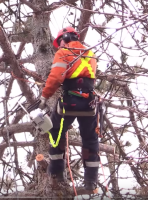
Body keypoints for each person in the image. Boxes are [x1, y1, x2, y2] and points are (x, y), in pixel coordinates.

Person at [38, 27, 99, 190]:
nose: (58, 46)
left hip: (70, 99)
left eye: (59, 42)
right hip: (90, 101)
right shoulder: (89, 53)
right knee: (90, 138)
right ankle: (91, 180)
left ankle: (56, 171)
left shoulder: (64, 52)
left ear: (65, 38)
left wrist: (45, 96)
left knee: (54, 131)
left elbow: (56, 76)